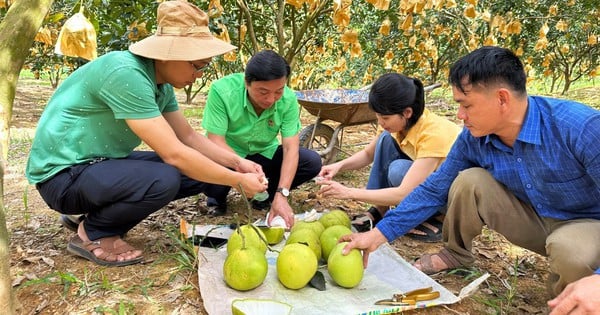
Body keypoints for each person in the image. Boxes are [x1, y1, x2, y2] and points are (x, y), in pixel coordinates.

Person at [338, 46, 600, 298]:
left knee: (569, 251)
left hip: (585, 224)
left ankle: (573, 301)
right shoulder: (473, 138)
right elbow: (433, 189)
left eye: (467, 105)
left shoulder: (579, 128)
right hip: (534, 218)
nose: (460, 115)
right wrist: (379, 234)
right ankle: (457, 252)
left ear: (502, 99)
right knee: (469, 180)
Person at [25, 0, 268, 267]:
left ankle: (92, 216)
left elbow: (188, 138)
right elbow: (174, 154)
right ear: (168, 54)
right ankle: (93, 231)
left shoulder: (160, 86)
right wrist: (237, 181)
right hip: (62, 176)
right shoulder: (126, 73)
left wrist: (237, 163)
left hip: (95, 167)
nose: (198, 75)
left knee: (202, 171)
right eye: (197, 65)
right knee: (165, 176)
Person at [316, 73, 460, 242]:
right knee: (385, 139)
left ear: (407, 112)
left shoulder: (434, 133)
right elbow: (368, 154)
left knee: (398, 171)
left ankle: (441, 219)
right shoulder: (394, 125)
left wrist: (348, 192)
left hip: (455, 195)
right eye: (378, 117)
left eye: (385, 118)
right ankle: (380, 209)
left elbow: (403, 193)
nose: (381, 122)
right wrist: (338, 166)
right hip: (430, 181)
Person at [201, 50, 322, 228]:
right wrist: (240, 165)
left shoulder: (288, 100)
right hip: (228, 154)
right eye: (263, 92)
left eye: (278, 91)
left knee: (311, 161)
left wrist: (283, 193)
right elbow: (215, 140)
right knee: (206, 172)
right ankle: (217, 197)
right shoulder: (222, 91)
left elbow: (290, 149)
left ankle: (268, 195)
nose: (271, 99)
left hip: (264, 155)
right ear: (246, 82)